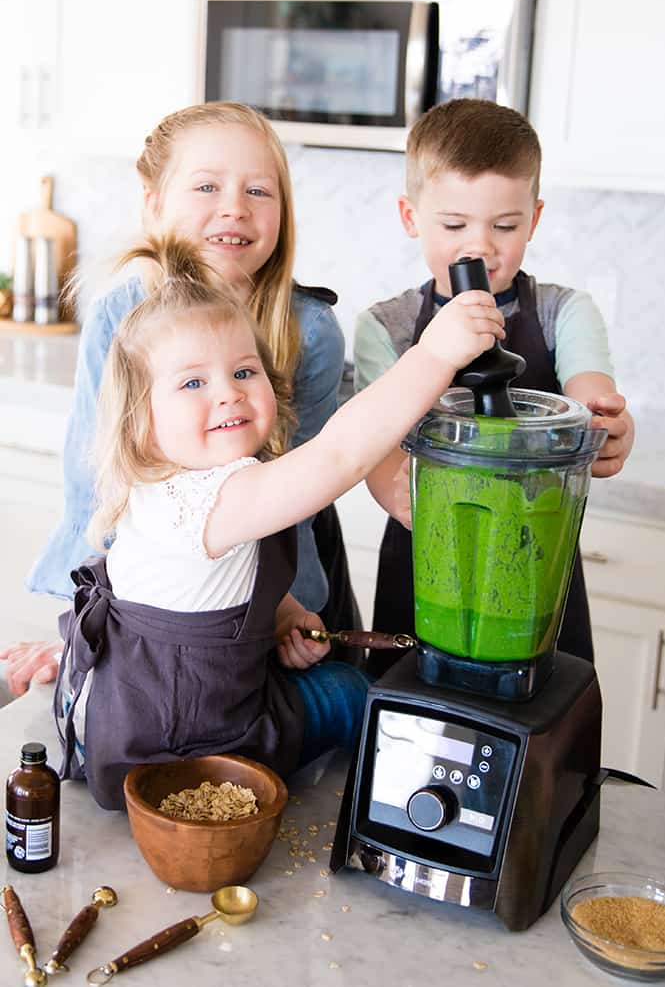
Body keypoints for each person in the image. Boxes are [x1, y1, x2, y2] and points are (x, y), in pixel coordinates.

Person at [54, 232, 506, 810]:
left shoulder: (202, 479)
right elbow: (339, 454)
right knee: (349, 694)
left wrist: (284, 613)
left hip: (143, 709)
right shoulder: (206, 498)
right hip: (178, 744)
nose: (229, 395)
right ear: (141, 423)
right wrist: (435, 356)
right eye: (193, 382)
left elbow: (209, 592)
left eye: (244, 371)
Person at [1, 100, 359, 697]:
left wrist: (284, 609)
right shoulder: (118, 317)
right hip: (146, 602)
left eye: (258, 191)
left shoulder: (312, 330)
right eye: (207, 186)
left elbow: (300, 487)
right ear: (155, 204)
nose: (235, 208)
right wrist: (85, 627)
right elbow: (97, 485)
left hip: (275, 596)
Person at [353, 98, 635, 676]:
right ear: (411, 217)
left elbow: (589, 396)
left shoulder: (565, 313)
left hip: (537, 558)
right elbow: (378, 453)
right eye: (454, 225)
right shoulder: (386, 327)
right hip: (425, 560)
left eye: (505, 225)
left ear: (534, 218)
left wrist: (604, 426)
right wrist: (448, 525)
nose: (479, 246)